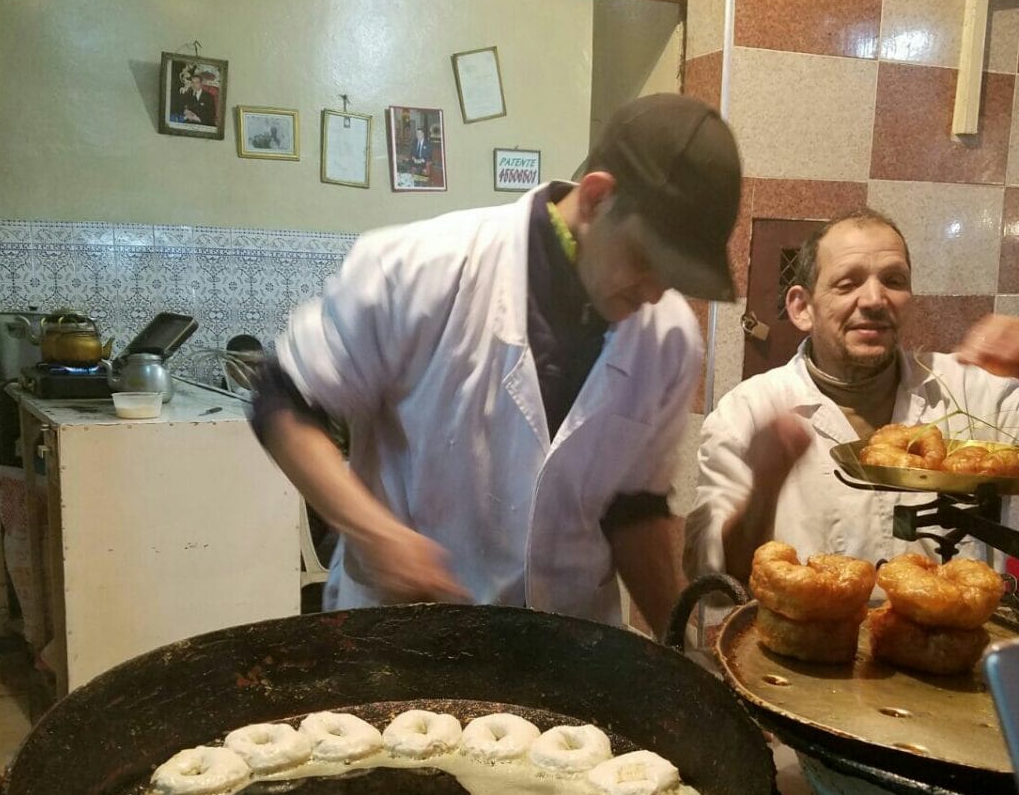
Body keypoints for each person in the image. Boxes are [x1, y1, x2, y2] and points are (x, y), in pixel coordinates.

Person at [251, 93, 742, 638]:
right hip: (404, 626)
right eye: (646, 260)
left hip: (570, 648)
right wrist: (374, 533)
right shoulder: (427, 268)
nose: (654, 292)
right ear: (599, 197)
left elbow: (634, 508)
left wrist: (682, 648)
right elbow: (282, 401)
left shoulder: (669, 339)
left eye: (673, 277)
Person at [683, 207, 1019, 586]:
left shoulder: (971, 391)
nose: (875, 299)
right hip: (810, 643)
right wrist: (765, 485)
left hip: (954, 642)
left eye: (894, 280)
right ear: (801, 307)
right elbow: (709, 582)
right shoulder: (747, 413)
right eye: (847, 284)